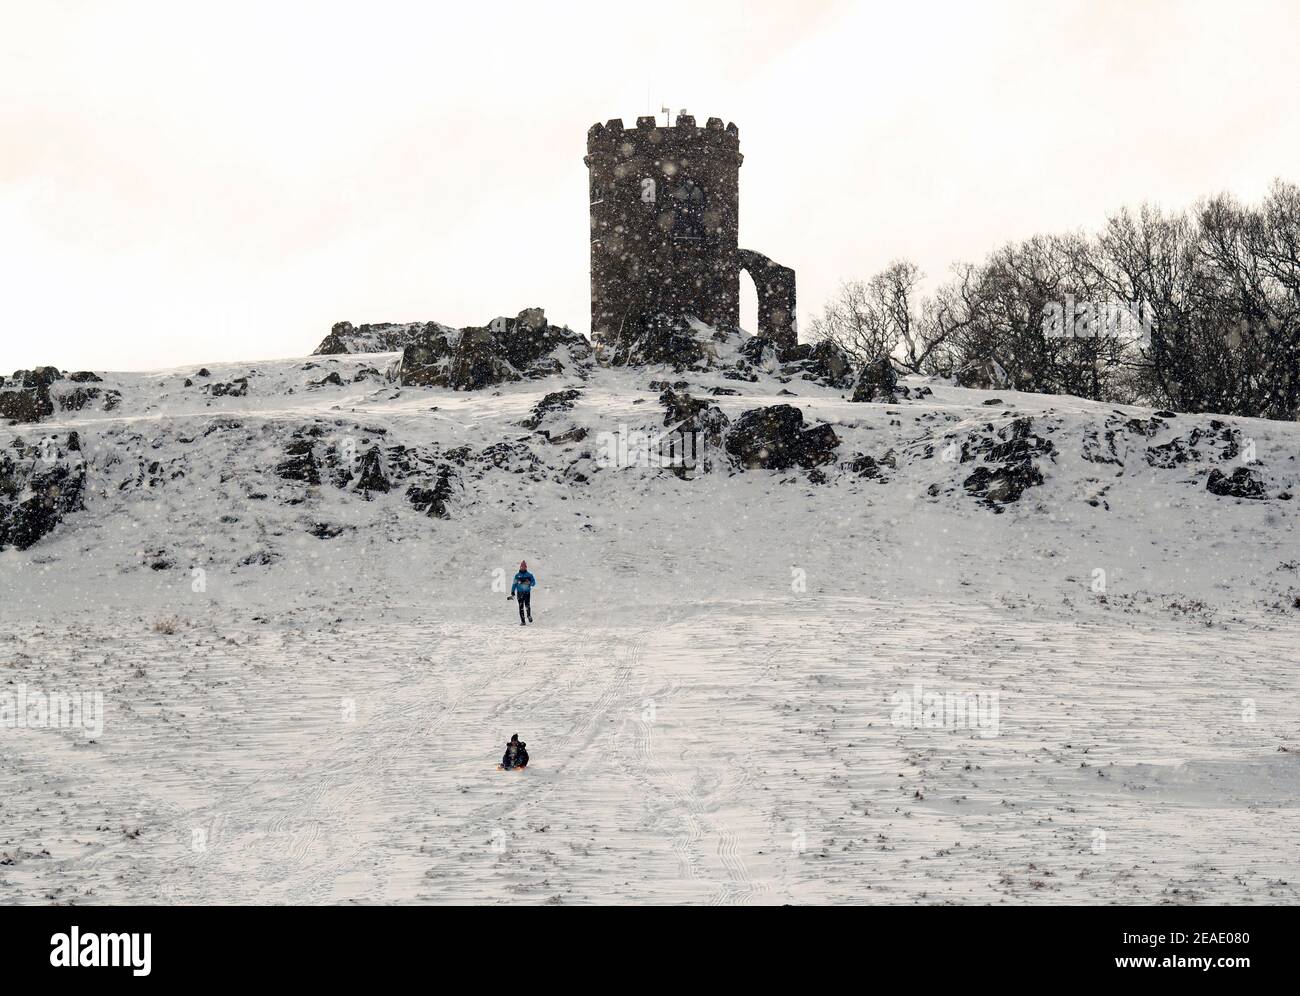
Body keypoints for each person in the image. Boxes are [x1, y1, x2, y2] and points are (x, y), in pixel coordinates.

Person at [508, 560, 537, 625]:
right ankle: (523, 621)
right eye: (522, 567)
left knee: (527, 605)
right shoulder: (517, 575)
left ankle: (529, 616)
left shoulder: (529, 575)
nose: (523, 568)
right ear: (520, 567)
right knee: (521, 607)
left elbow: (534, 583)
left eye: (524, 567)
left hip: (527, 593)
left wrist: (529, 583)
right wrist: (512, 591)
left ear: (526, 568)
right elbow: (514, 584)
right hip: (519, 593)